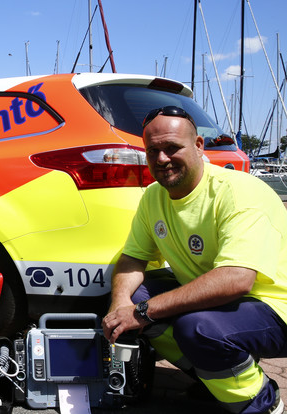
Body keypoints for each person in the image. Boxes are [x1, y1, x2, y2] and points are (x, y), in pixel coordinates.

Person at [102, 106, 287, 413]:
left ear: (199, 146)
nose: (162, 159)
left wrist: (144, 312)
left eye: (172, 148)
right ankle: (212, 376)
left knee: (196, 328)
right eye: (153, 151)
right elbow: (133, 257)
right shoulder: (153, 197)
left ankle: (263, 404)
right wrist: (121, 304)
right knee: (132, 297)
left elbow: (237, 278)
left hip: (274, 306)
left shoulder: (239, 193)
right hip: (223, 303)